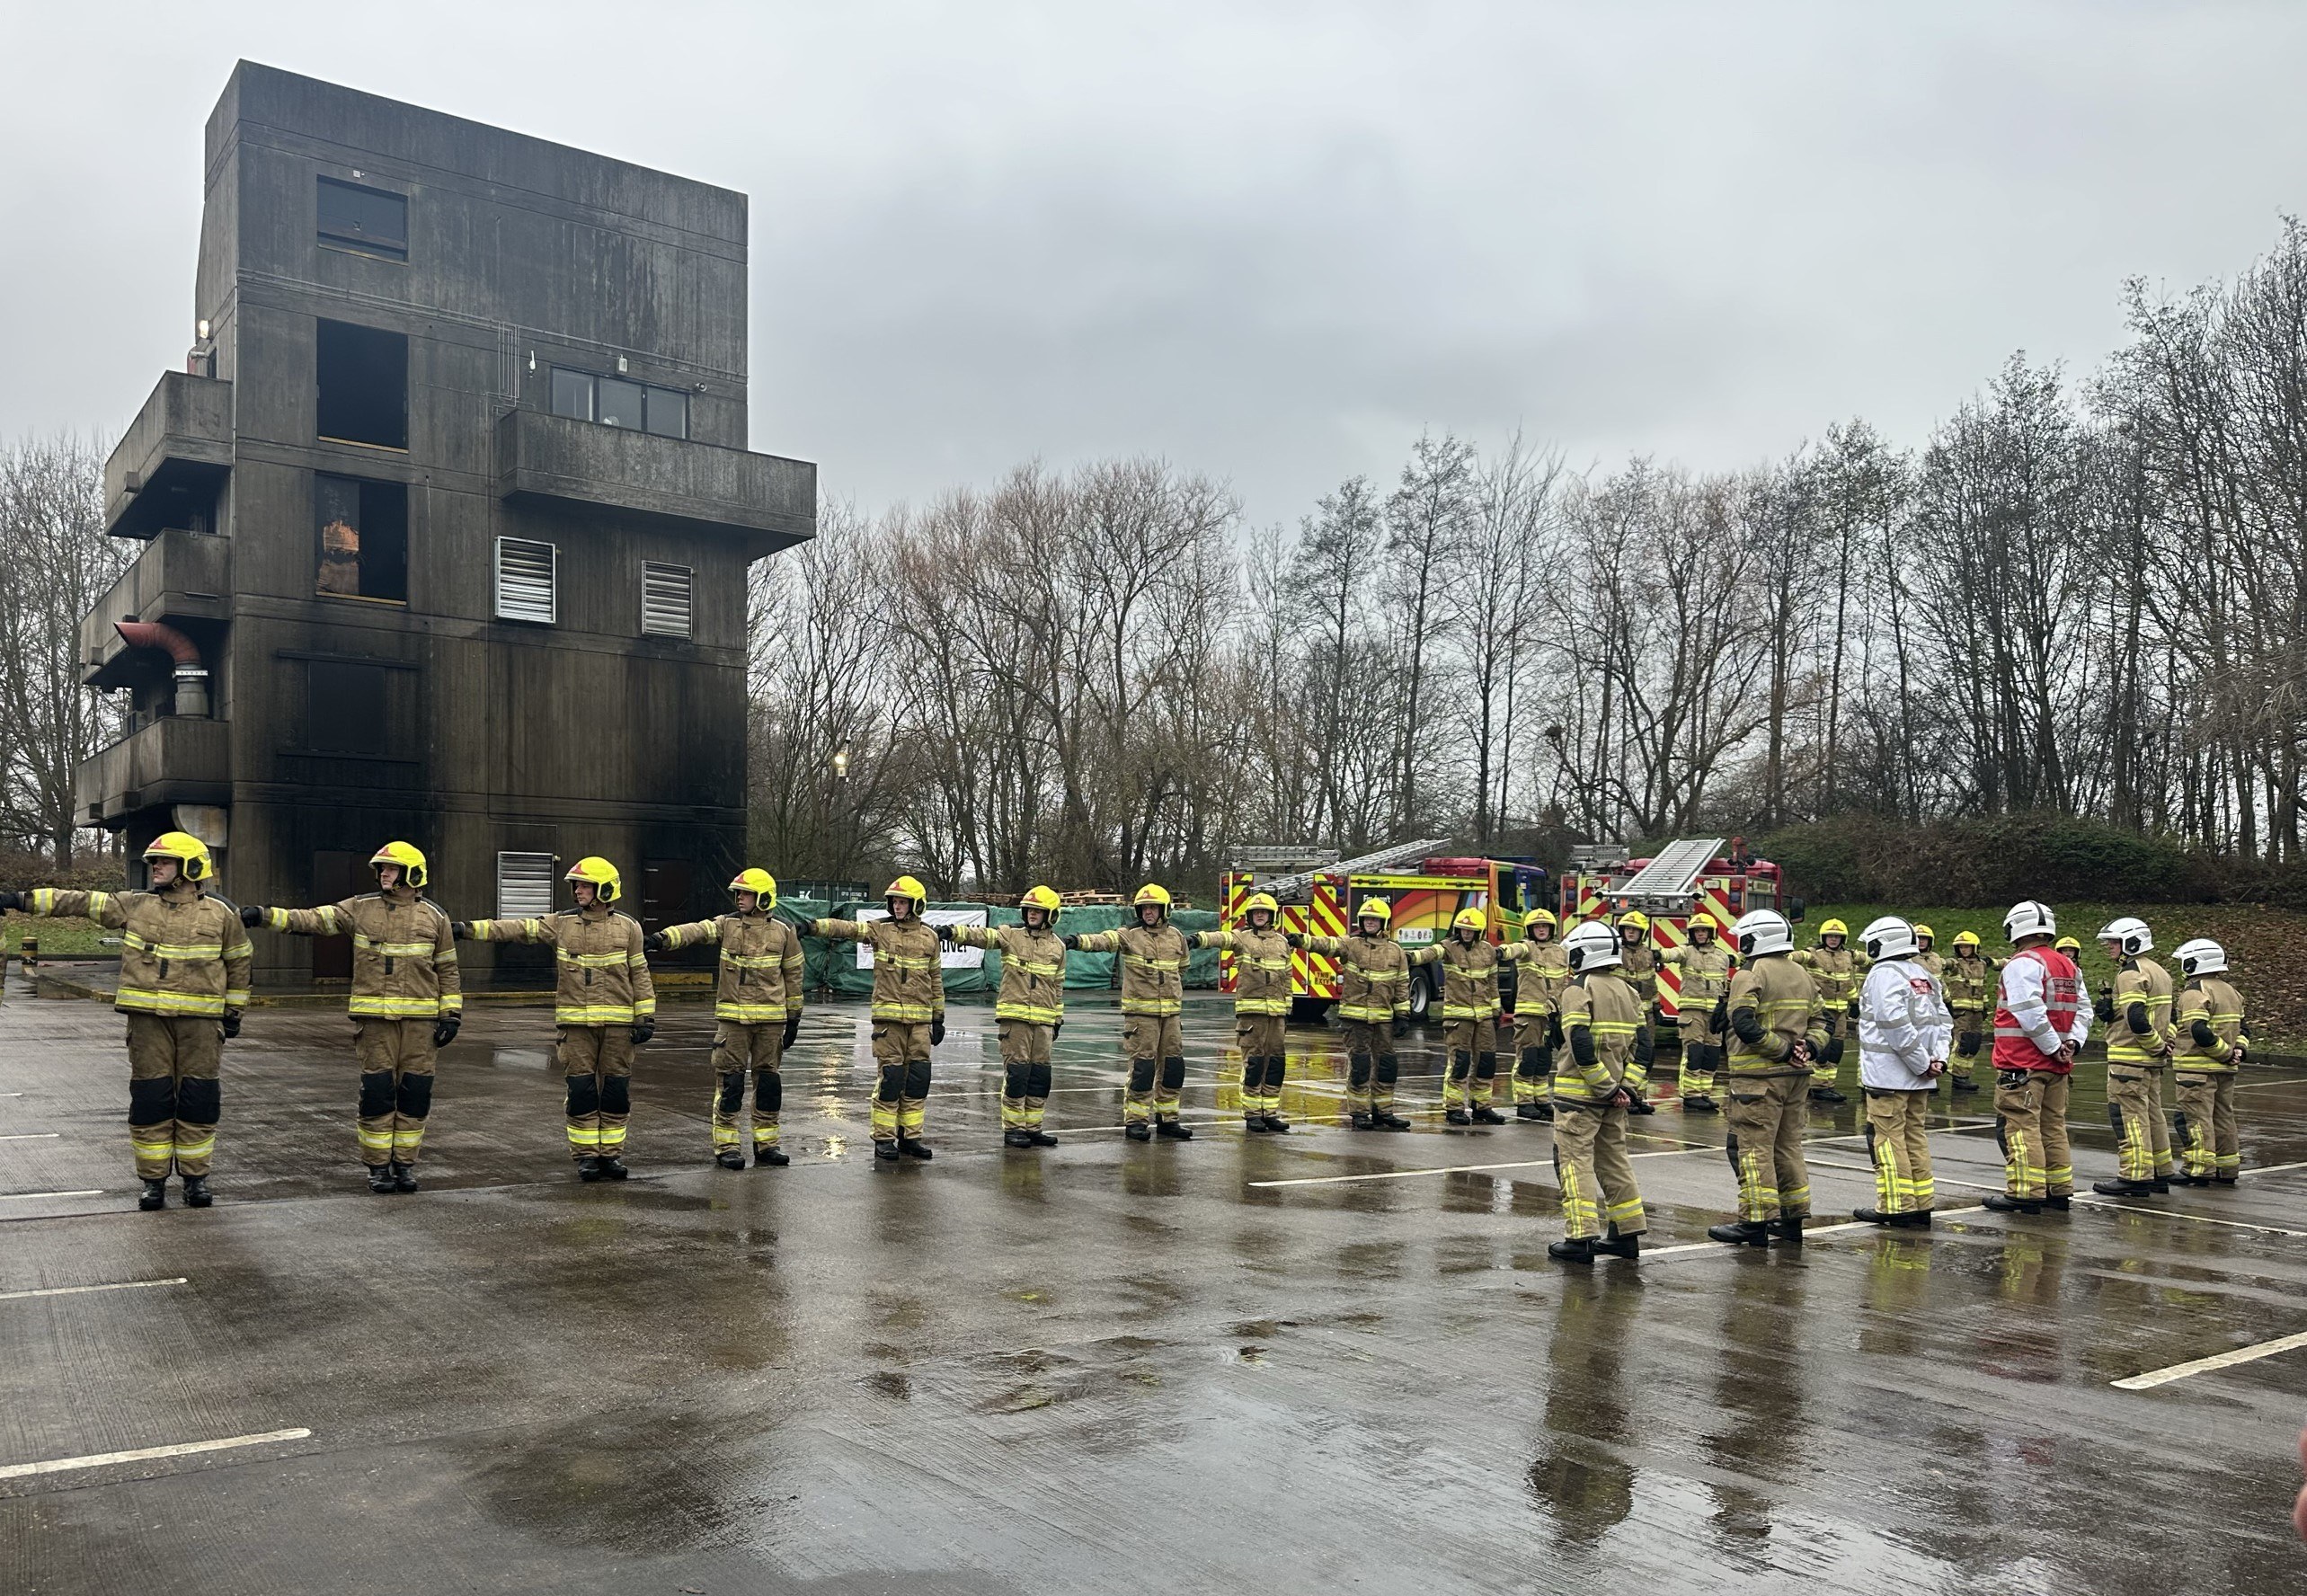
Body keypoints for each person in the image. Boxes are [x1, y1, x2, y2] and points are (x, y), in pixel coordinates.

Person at [0, 833, 250, 1210]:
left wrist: (233, 1014)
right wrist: (18, 899)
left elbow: (239, 963)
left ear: (190, 868)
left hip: (201, 1026)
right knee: (151, 1101)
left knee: (199, 1101)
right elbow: (79, 902)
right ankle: (153, 1184)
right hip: (148, 1025)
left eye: (164, 862)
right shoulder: (135, 905)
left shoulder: (221, 913)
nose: (155, 868)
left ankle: (196, 1180)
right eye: (153, 863)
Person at [240, 841, 460, 1193]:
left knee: (415, 1096)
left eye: (390, 868)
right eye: (382, 869)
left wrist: (451, 1014)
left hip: (421, 1027)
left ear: (412, 874)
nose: (383, 874)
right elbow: (312, 919)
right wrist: (264, 915)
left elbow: (447, 969)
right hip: (375, 1025)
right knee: (377, 1095)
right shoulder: (360, 908)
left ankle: (404, 1165)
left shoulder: (436, 917)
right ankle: (377, 1169)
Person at [458, 857, 654, 1181]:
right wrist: (468, 930)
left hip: (619, 1028)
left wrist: (645, 1016)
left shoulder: (629, 928)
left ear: (604, 889)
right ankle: (587, 1157)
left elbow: (640, 973)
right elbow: (518, 928)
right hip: (576, 1028)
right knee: (582, 1092)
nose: (577, 890)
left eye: (584, 885)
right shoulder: (562, 923)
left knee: (616, 1092)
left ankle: (611, 1156)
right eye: (576, 885)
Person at [647, 867, 804, 1169]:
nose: (739, 898)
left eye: (745, 893)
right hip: (734, 1023)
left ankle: (767, 1144)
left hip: (771, 1024)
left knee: (769, 1085)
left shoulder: (785, 931)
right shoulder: (728, 925)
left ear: (763, 898)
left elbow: (794, 975)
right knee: (730, 1084)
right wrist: (662, 939)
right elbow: (696, 929)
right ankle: (727, 1146)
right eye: (738, 893)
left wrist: (794, 1017)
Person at [1707, 907, 1826, 1246]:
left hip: (1758, 1079)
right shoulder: (1803, 974)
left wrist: (1782, 1050)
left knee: (1753, 1149)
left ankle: (1754, 1223)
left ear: (1757, 938)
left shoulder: (1750, 973)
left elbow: (1744, 1024)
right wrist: (1807, 1049)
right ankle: (1791, 1221)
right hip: (1797, 1076)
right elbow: (1822, 1023)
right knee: (1788, 1147)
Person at [809, 877, 946, 1160]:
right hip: (889, 1024)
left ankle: (910, 1138)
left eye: (902, 901)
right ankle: (884, 1140)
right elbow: (848, 929)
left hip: (920, 1023)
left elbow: (935, 979)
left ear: (916, 905)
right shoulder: (880, 931)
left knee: (919, 1080)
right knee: (891, 1080)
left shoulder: (930, 937)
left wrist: (938, 1017)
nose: (897, 906)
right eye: (894, 901)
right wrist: (812, 927)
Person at [1548, 919, 1651, 1263]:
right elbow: (1644, 1046)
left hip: (1580, 1098)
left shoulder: (1579, 988)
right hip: (1616, 1097)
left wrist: (1605, 1088)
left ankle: (1580, 1240)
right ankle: (1626, 1234)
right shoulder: (1629, 991)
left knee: (1574, 1163)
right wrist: (1628, 1089)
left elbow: (1579, 1042)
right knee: (1615, 1162)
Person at [1981, 900, 2090, 1215]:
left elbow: (2028, 1010)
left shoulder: (2021, 963)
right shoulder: (2068, 965)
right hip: (2057, 1065)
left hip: (2023, 1062)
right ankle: (2058, 1190)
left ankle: (2026, 1193)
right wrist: (2071, 1044)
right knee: (2053, 1126)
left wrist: (2052, 1045)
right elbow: (2083, 1010)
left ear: (2016, 928)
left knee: (2021, 1127)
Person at [946, 885, 1068, 1147]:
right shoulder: (1010, 935)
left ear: (1051, 914)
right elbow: (983, 936)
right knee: (1018, 1074)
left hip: (1044, 1024)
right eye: (1029, 910)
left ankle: (1033, 1128)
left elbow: (1058, 987)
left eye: (1039, 910)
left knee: (1040, 1077)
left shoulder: (1058, 946)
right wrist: (954, 933)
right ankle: (1013, 1129)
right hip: (1015, 1022)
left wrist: (1057, 1020)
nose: (1032, 914)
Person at [1069, 884, 1193, 1140]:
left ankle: (1168, 1120)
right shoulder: (1129, 934)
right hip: (1141, 1017)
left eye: (1153, 907)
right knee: (1142, 1070)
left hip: (1170, 1016)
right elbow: (1104, 940)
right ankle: (1136, 1122)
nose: (1148, 912)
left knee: (1172, 1068)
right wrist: (1078, 941)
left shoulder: (1176, 936)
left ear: (1164, 910)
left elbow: (1182, 968)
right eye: (1144, 908)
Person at [1852, 916, 1951, 1228]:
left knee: (1889, 1140)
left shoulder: (1882, 975)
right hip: (1920, 1078)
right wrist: (1937, 1061)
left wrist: (1922, 1062)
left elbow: (1894, 1026)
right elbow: (1944, 1023)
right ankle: (1921, 1204)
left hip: (1888, 1076)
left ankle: (1896, 1206)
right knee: (1915, 1138)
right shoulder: (1923, 975)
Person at [1291, 899, 1415, 1130]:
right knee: (1360, 1066)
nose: (1370, 922)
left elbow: (1401, 984)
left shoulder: (1396, 951)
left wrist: (1403, 1015)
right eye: (1367, 919)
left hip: (1384, 1020)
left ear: (1383, 922)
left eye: (1374, 919)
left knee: (1387, 1066)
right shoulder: (1351, 944)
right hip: (1355, 1019)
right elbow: (1326, 945)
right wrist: (1303, 941)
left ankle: (1384, 1113)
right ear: (1361, 921)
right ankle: (1359, 1114)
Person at [1191, 891, 1293, 1132]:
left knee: (1275, 1064)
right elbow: (1221, 938)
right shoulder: (1242, 938)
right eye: (1256, 912)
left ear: (1271, 915)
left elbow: (1287, 977)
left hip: (1277, 1014)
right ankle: (1252, 1114)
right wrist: (1198, 939)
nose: (1260, 915)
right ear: (1250, 916)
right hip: (1251, 1014)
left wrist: (1287, 1008)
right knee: (1254, 1063)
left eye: (1264, 912)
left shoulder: (1282, 942)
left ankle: (1270, 1112)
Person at [2092, 916, 2176, 1198]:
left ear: (2131, 942)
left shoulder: (2130, 973)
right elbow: (2169, 1016)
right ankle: (2160, 1173)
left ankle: (2135, 1176)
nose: (2109, 947)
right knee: (2154, 1115)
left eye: (2114, 942)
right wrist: (2165, 1044)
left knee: (2128, 1117)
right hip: (2151, 1062)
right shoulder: (2160, 972)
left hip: (2130, 1060)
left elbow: (2137, 1018)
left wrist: (2154, 1044)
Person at [2168, 936, 2246, 1187]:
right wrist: (2237, 1052)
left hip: (2197, 1070)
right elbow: (2244, 1029)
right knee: (2223, 1117)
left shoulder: (2195, 992)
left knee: (2197, 1118)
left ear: (2195, 963)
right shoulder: (2232, 991)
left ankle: (2199, 1169)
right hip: (2226, 1070)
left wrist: (2223, 1052)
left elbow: (2198, 1030)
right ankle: (2227, 1168)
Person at [1435, 908, 1504, 1126]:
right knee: (1460, 1063)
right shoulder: (1449, 947)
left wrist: (1496, 1011)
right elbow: (1431, 953)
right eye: (1463, 929)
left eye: (1471, 930)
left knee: (1486, 1062)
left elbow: (1492, 984)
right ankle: (1454, 1108)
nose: (1466, 933)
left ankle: (1482, 1107)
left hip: (1483, 1016)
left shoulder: (1488, 951)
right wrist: (1411, 957)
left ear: (1479, 932)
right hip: (1458, 1017)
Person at [1660, 912, 1733, 1112]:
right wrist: (1659, 954)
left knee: (1711, 1054)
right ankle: (1691, 1096)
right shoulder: (1687, 951)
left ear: (1712, 933)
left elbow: (1725, 983)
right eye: (1697, 931)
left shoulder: (1722, 956)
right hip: (1693, 1013)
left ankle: (1704, 1094)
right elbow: (1672, 954)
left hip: (1715, 1014)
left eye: (1704, 931)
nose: (1700, 934)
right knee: (1694, 1052)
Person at [1500, 907, 1567, 1122]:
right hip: (1529, 1015)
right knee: (1527, 1059)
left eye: (1544, 926)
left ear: (1551, 929)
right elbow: (1513, 950)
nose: (1541, 930)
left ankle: (1541, 1099)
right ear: (1530, 929)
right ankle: (1524, 1102)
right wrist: (1500, 952)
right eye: (1537, 926)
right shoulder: (1527, 947)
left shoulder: (1560, 952)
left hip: (1552, 1016)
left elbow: (1566, 981)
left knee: (1544, 1060)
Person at [1795, 918, 1865, 1104]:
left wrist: (1854, 1002)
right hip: (1820, 1012)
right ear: (1823, 937)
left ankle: (1827, 1085)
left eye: (1837, 936)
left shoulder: (1848, 956)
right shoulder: (1814, 954)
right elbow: (1798, 957)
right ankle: (1817, 1086)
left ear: (1843, 939)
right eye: (1829, 936)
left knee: (1836, 1049)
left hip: (1840, 1012)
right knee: (1821, 1049)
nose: (1833, 939)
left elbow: (1850, 981)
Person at [1940, 930, 1996, 1095]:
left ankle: (1964, 1076)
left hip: (1977, 1012)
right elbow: (1941, 964)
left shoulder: (1981, 965)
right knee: (1962, 1042)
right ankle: (1957, 1076)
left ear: (1975, 948)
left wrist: (1985, 1007)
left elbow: (1982, 987)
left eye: (1967, 947)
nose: (1964, 950)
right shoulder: (1955, 964)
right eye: (1961, 947)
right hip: (1960, 1012)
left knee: (1974, 1043)